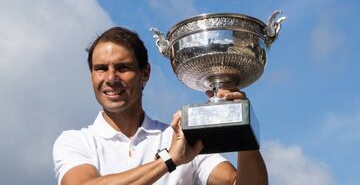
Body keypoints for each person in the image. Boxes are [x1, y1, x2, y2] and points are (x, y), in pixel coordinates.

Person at [53, 26, 268, 185]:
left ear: (144, 73)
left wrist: (241, 123)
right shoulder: (75, 141)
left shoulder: (182, 138)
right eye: (101, 68)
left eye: (122, 67)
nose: (110, 78)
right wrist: (169, 160)